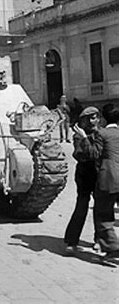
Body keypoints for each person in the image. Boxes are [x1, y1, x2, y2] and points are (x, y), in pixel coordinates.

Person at [63, 106, 100, 254]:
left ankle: (99, 240)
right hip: (85, 174)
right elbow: (80, 155)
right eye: (90, 118)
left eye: (95, 117)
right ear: (83, 120)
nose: (93, 121)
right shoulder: (78, 136)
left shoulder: (100, 133)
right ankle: (72, 241)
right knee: (81, 207)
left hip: (99, 174)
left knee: (100, 209)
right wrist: (87, 140)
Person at [90, 105, 119, 258]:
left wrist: (84, 138)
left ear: (103, 118)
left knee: (103, 214)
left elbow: (94, 153)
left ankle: (112, 249)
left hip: (109, 178)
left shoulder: (102, 133)